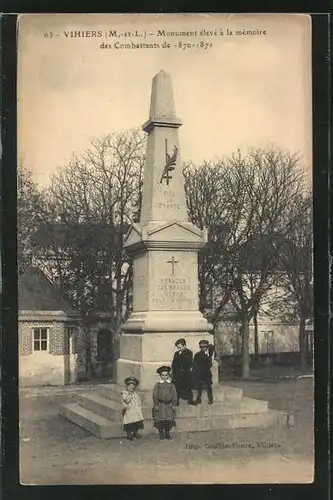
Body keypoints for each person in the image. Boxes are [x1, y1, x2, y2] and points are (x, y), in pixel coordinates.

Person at [152, 366, 178, 440]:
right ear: (160, 376)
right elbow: (155, 395)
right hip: (161, 405)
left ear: (168, 375)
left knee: (168, 420)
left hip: (169, 405)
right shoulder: (158, 385)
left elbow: (174, 394)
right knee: (161, 420)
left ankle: (167, 433)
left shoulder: (171, 385)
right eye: (162, 375)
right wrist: (156, 404)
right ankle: (161, 433)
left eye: (166, 375)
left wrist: (174, 404)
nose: (164, 377)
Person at [171, 338, 195, 405]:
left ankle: (190, 400)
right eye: (177, 347)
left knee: (188, 388)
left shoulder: (189, 352)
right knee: (176, 388)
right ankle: (176, 401)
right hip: (177, 373)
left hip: (185, 373)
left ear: (184, 345)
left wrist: (180, 357)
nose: (178, 349)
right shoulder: (176, 353)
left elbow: (188, 362)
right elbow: (174, 363)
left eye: (180, 347)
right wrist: (173, 371)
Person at [192, 339, 214, 405]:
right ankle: (198, 399)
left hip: (206, 373)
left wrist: (209, 355)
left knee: (209, 387)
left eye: (204, 347)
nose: (203, 348)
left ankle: (210, 399)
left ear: (207, 347)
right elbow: (194, 363)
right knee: (199, 387)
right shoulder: (197, 354)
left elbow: (210, 364)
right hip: (199, 373)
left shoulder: (208, 355)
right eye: (201, 347)